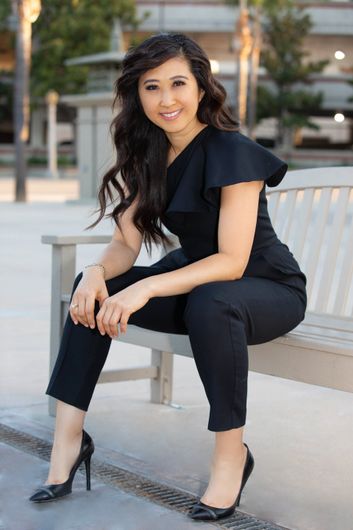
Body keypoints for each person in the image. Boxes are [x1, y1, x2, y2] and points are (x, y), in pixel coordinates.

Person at [29, 33, 307, 521]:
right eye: (151, 87)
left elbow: (232, 261)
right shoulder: (150, 156)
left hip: (266, 288)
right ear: (139, 96)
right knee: (91, 291)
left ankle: (230, 458)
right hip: (200, 285)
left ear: (201, 87)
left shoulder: (232, 152)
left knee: (212, 302)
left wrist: (147, 285)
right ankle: (68, 445)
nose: (166, 99)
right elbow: (125, 244)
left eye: (178, 83)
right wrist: (96, 272)